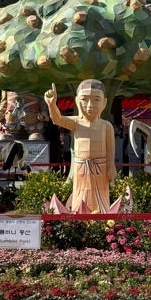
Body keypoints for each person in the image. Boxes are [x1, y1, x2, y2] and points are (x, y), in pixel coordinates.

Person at [44, 80, 116, 213]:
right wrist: (52, 104)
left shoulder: (106, 126)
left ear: (104, 102)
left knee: (101, 198)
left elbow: (110, 149)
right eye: (84, 99)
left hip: (100, 168)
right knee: (80, 195)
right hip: (80, 168)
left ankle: (103, 220)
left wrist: (111, 166)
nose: (90, 105)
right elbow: (57, 119)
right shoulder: (76, 122)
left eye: (96, 99)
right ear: (77, 101)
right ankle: (78, 219)